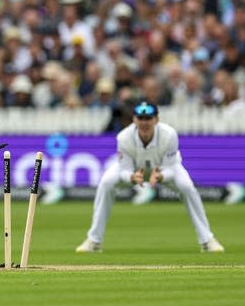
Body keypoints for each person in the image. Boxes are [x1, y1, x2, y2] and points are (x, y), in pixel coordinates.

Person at [76, 101, 225, 253]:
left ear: (156, 119)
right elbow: (124, 169)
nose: (144, 123)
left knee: (187, 187)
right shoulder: (123, 137)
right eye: (141, 118)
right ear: (134, 120)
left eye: (148, 118)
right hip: (135, 170)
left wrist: (161, 176)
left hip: (164, 168)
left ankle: (207, 240)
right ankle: (94, 241)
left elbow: (171, 167)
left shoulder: (169, 135)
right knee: (106, 183)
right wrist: (132, 178)